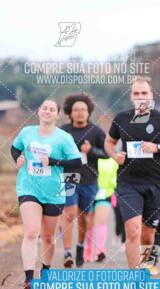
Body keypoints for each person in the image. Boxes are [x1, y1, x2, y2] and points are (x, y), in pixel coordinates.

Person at [104, 76, 160, 271]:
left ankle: (146, 263)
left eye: (144, 93)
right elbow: (109, 142)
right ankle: (133, 275)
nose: (140, 97)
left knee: (147, 234)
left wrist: (157, 147)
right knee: (132, 230)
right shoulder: (121, 118)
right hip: (128, 183)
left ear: (151, 95)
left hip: (156, 183)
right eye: (136, 93)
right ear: (131, 96)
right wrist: (114, 155)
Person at [11, 99, 82, 289]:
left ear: (57, 115)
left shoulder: (64, 138)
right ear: (39, 111)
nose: (48, 111)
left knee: (49, 237)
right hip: (28, 188)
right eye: (45, 108)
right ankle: (28, 279)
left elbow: (77, 163)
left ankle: (46, 271)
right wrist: (18, 158)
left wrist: (52, 161)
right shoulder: (27, 132)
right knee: (32, 231)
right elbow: (15, 147)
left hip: (54, 192)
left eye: (52, 109)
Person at [59, 93, 107, 268]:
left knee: (83, 217)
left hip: (89, 180)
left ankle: (79, 247)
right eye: (76, 110)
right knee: (69, 212)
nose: (80, 113)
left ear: (89, 112)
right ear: (70, 113)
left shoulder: (96, 131)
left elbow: (108, 153)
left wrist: (91, 150)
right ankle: (67, 252)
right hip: (69, 177)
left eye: (83, 110)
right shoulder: (63, 131)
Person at [84, 157, 119, 263]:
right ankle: (88, 249)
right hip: (88, 191)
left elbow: (118, 177)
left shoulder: (114, 159)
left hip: (105, 193)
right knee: (88, 222)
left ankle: (100, 251)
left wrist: (115, 191)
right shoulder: (90, 155)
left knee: (101, 221)